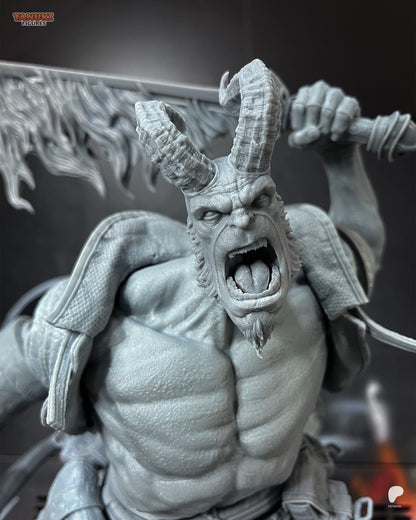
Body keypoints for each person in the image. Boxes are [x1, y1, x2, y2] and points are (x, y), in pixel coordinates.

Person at [0, 60, 385, 520]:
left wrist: (339, 157)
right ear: (196, 229)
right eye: (214, 215)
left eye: (259, 201)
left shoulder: (311, 285)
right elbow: (14, 364)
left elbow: (361, 248)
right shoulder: (116, 316)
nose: (242, 221)